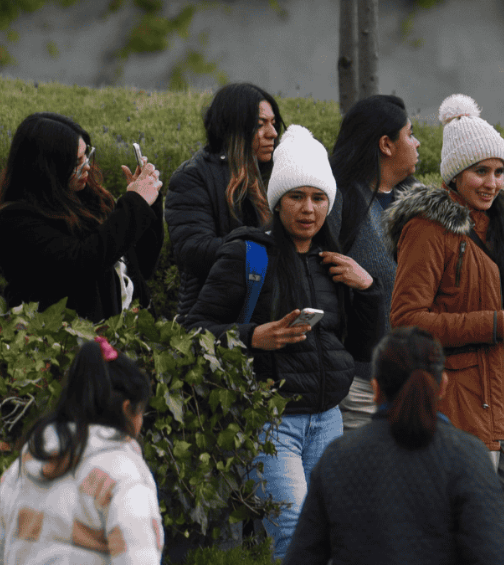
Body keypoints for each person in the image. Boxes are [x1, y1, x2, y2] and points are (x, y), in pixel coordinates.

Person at [386, 94, 504, 565]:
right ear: (454, 174)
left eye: (499, 171)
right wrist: (494, 324)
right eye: (480, 172)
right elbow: (406, 320)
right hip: (459, 389)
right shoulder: (427, 228)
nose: (492, 183)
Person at [184, 124, 382, 561]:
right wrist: (255, 336)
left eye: (318, 198)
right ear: (277, 201)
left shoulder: (335, 263)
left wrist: (368, 290)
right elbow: (192, 329)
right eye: (296, 197)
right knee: (292, 535)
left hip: (329, 418)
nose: (308, 209)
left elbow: (363, 347)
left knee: (332, 536)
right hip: (270, 423)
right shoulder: (248, 254)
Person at [283, 326, 504, 565]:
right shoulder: (468, 455)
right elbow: (493, 552)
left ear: (375, 388)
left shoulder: (337, 457)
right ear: (443, 385)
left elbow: (302, 555)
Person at [0, 337, 162, 565]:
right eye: (141, 412)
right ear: (127, 409)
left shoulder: (30, 463)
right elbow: (138, 558)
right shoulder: (124, 473)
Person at [0, 112, 164, 322]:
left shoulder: (90, 201)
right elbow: (82, 262)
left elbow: (143, 265)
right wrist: (135, 202)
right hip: (63, 345)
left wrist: (150, 200)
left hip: (126, 337)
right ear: (48, 169)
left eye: (87, 155)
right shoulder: (15, 221)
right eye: (76, 161)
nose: (87, 165)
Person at [326, 94, 422, 431]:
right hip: (362, 384)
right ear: (386, 144)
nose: (417, 142)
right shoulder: (338, 202)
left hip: (415, 378)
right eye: (410, 134)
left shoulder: (419, 202)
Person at [165, 82, 284, 326]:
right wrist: (266, 241)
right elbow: (194, 250)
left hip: (272, 314)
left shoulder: (279, 173)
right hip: (216, 321)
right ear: (234, 126)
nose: (272, 133)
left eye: (273, 123)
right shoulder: (193, 177)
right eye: (260, 124)